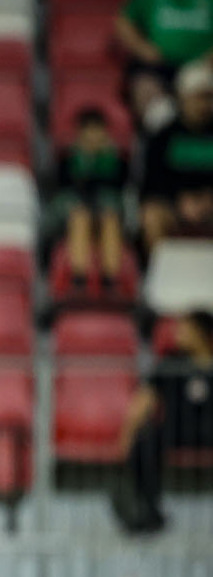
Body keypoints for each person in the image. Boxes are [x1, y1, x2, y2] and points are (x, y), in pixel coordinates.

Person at [114, 310, 213, 535]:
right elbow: (145, 398)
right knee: (146, 438)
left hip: (209, 431)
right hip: (178, 429)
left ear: (202, 333)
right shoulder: (172, 360)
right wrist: (127, 434)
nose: (178, 333)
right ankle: (148, 508)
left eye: (186, 329)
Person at [119, 0, 213, 131]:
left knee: (201, 97)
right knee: (151, 102)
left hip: (202, 68)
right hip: (158, 68)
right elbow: (123, 23)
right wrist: (143, 48)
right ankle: (159, 153)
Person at [45, 107, 130, 293]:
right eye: (89, 131)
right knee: (81, 217)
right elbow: (63, 186)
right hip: (72, 213)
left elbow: (119, 185)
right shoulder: (66, 159)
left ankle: (110, 280)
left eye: (98, 131)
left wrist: (101, 161)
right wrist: (88, 163)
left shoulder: (119, 160)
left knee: (110, 218)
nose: (93, 136)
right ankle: (79, 279)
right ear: (80, 133)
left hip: (106, 211)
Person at [139, 63, 213, 249]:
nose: (204, 105)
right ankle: (159, 272)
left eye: (208, 98)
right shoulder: (163, 136)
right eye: (198, 98)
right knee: (152, 216)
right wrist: (179, 200)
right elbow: (151, 181)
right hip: (174, 204)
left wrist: (207, 198)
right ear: (182, 98)